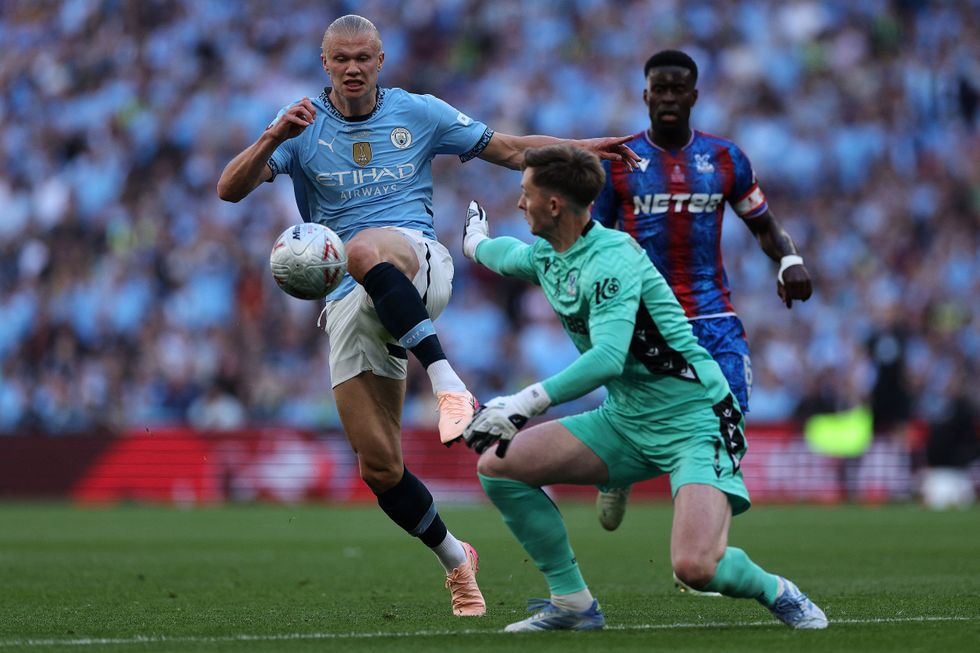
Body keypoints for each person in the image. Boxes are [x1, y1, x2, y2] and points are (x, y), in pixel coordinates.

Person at [216, 15, 638, 617]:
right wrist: (270, 136)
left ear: (382, 60)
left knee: (363, 248)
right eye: (342, 59)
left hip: (418, 265)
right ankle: (456, 560)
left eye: (364, 57)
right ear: (325, 62)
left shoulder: (419, 112)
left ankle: (447, 383)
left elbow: (510, 149)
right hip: (350, 302)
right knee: (380, 467)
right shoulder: (301, 127)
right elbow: (228, 189)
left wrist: (576, 150)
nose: (353, 68)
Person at [460, 143, 827, 631]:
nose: (518, 203)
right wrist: (472, 241)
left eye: (525, 193)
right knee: (499, 467)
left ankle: (778, 591)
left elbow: (609, 357)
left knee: (696, 568)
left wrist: (522, 404)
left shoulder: (612, 259)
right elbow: (508, 255)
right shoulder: (551, 253)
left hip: (695, 417)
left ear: (554, 205)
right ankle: (572, 604)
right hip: (626, 418)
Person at [590, 49, 813, 532]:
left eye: (678, 89)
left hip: (712, 314)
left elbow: (765, 225)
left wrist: (790, 260)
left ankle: (704, 551)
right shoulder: (620, 160)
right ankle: (619, 468)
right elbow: (593, 239)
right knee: (645, 420)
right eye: (660, 89)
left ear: (694, 95)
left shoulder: (724, 158)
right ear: (645, 94)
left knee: (727, 418)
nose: (668, 98)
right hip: (644, 314)